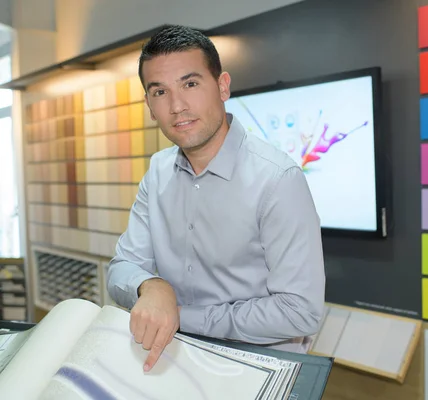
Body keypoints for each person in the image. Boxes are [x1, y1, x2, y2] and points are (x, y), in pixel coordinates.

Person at [106, 24, 326, 372]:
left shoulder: (277, 179)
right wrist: (151, 286)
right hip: (174, 361)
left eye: (190, 84)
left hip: (254, 369)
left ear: (222, 86)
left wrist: (180, 316)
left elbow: (299, 313)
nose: (177, 106)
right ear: (149, 105)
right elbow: (121, 269)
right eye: (160, 92)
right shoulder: (158, 172)